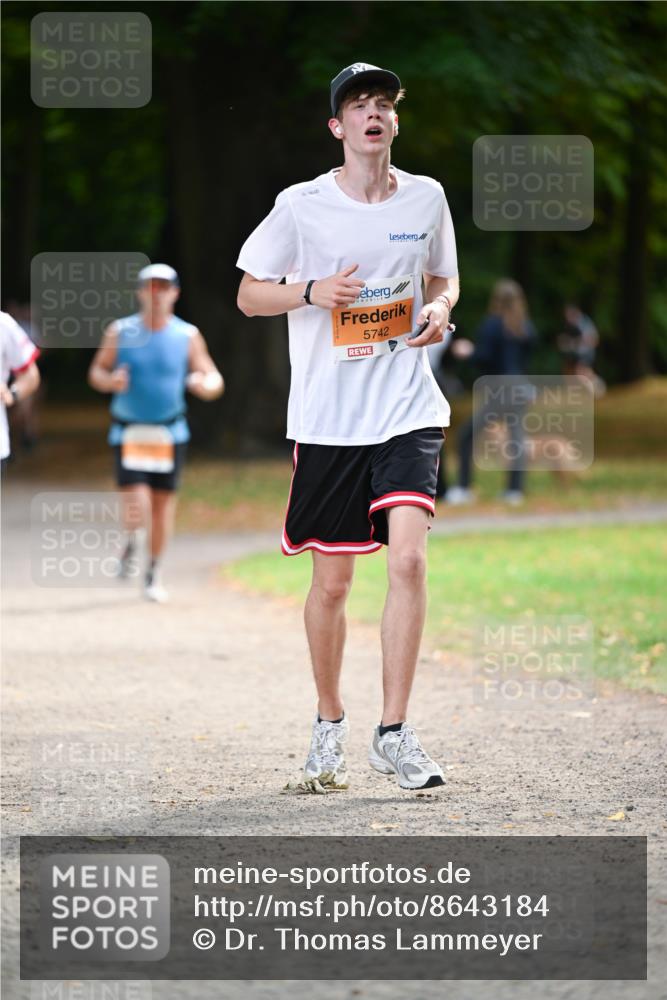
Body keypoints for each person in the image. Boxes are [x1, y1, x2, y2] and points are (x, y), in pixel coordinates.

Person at [236, 63, 459, 791]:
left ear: (394, 122)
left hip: (407, 406)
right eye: (359, 105)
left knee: (408, 562)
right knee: (331, 585)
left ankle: (393, 733)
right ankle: (328, 721)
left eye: (383, 104)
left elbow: (442, 276)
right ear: (337, 126)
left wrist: (438, 309)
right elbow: (248, 295)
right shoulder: (301, 205)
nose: (373, 114)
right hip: (329, 419)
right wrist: (311, 291)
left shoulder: (426, 197)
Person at [88, 263, 224, 602]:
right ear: (140, 292)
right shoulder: (120, 331)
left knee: (162, 507)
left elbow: (213, 378)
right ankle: (132, 538)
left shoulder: (187, 335)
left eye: (163, 287)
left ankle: (153, 570)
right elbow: (97, 372)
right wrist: (111, 381)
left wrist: (204, 384)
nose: (156, 294)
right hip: (130, 432)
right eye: (150, 287)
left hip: (169, 433)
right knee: (138, 503)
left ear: (175, 293)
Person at [446, 279, 536, 506]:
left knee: (466, 435)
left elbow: (484, 358)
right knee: (516, 438)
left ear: (496, 300)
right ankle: (515, 491)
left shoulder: (492, 325)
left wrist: (468, 352)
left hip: (500, 388)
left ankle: (463, 487)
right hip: (520, 387)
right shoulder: (525, 326)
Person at [0, 310, 40, 465]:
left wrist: (11, 394)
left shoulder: (3, 323)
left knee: (28, 410)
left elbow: (30, 375)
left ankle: (28, 436)